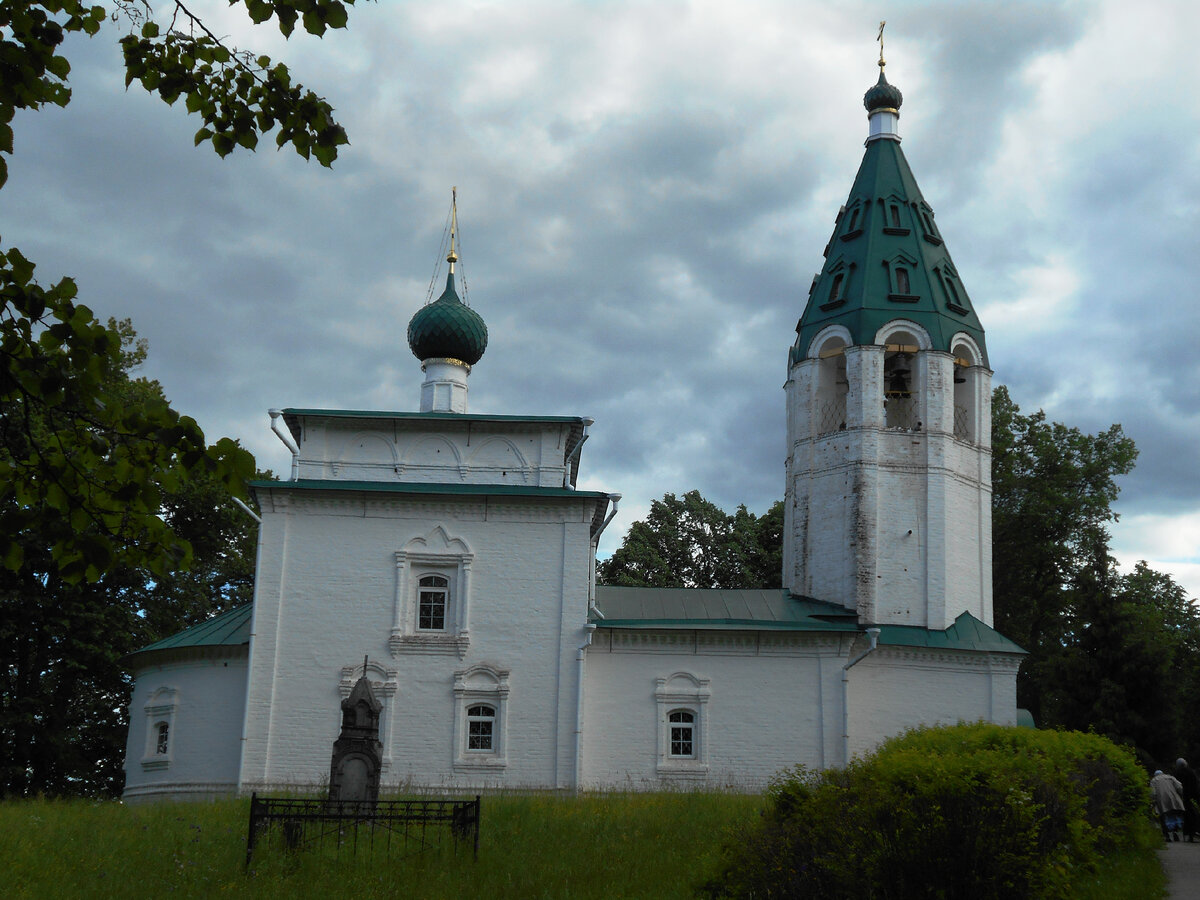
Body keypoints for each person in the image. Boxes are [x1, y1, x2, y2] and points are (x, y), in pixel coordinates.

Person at [1152, 768, 1186, 842]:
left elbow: (1153, 793)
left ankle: (1167, 835)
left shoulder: (1154, 780)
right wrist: (1181, 795)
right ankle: (1175, 831)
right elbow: (1179, 786)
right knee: (1174, 815)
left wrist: (1153, 801)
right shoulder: (1170, 777)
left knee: (1163, 816)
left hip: (1161, 801)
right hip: (1173, 798)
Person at [1175, 758, 1200, 842]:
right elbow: (1195, 785)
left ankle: (1189, 833)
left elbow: (1177, 786)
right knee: (1193, 814)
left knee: (1186, 815)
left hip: (1183, 797)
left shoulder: (1177, 773)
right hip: (1192, 797)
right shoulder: (1191, 772)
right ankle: (1192, 833)